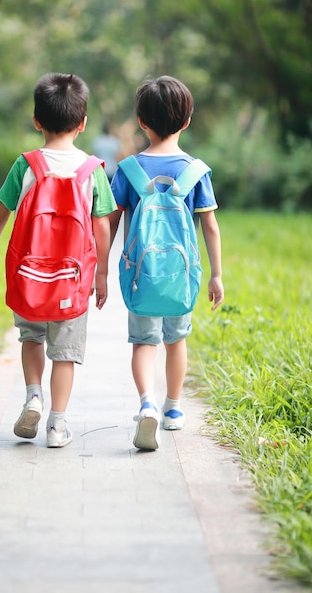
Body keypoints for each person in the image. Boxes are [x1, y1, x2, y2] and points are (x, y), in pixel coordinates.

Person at [0, 72, 117, 448]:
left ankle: (33, 395)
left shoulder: (26, 165)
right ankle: (57, 425)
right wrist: (101, 273)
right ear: (82, 124)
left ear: (37, 121)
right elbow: (102, 228)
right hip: (72, 278)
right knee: (65, 353)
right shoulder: (93, 171)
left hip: (29, 274)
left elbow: (0, 214)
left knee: (31, 336)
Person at [109, 75, 224, 451]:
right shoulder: (195, 171)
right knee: (177, 340)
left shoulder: (128, 170)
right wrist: (217, 275)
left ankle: (147, 404)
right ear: (187, 120)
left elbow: (109, 222)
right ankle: (173, 408)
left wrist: (100, 270)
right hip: (182, 276)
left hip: (142, 276)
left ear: (142, 122)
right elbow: (209, 225)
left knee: (144, 342)